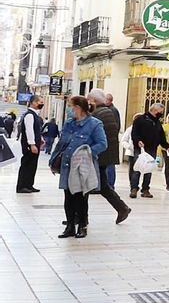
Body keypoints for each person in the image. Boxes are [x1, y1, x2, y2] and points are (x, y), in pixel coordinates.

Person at [53, 96, 106, 238]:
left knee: (81, 197)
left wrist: (87, 153)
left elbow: (102, 144)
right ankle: (70, 226)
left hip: (83, 165)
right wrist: (53, 159)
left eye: (71, 106)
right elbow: (61, 143)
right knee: (68, 196)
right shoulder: (69, 123)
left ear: (78, 108)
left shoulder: (94, 124)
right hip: (67, 164)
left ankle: (82, 225)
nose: (70, 110)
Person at [86, 90, 131, 225]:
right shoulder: (108, 112)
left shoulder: (99, 114)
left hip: (99, 155)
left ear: (93, 101)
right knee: (103, 185)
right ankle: (121, 207)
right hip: (105, 154)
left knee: (86, 184)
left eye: (88, 100)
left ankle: (81, 217)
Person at [128, 102, 168, 198]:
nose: (161, 114)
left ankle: (145, 189)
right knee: (137, 169)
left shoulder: (157, 122)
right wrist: (138, 141)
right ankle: (134, 188)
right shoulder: (140, 120)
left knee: (149, 169)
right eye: (160, 112)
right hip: (140, 149)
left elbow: (161, 136)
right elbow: (134, 133)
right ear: (154, 110)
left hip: (152, 149)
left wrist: (166, 145)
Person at [16, 96, 44, 193]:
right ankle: (22, 186)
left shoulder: (35, 115)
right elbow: (29, 130)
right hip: (29, 145)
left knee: (32, 165)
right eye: (40, 102)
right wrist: (32, 144)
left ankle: (29, 184)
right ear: (33, 102)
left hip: (35, 143)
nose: (41, 104)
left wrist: (40, 139)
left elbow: (36, 130)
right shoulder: (29, 115)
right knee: (27, 164)